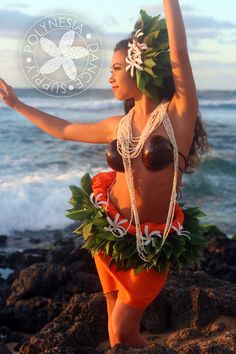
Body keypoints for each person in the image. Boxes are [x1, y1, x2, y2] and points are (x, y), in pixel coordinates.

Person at [0, 1, 210, 349]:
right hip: (109, 233)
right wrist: (18, 105)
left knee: (121, 332)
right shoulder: (119, 125)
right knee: (118, 338)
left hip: (150, 248)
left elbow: (179, 51)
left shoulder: (178, 116)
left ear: (138, 67)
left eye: (116, 68)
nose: (110, 77)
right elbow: (65, 129)